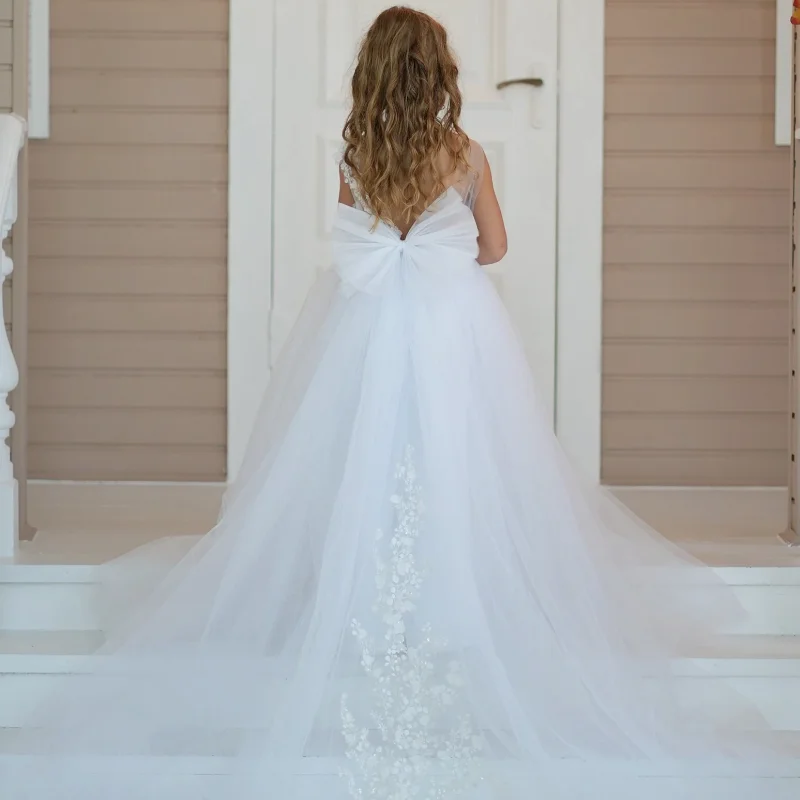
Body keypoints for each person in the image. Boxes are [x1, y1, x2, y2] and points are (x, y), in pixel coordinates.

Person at [3, 7, 797, 799]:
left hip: (368, 328)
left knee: (364, 453)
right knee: (462, 453)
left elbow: (356, 236)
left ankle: (361, 601)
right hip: (456, 327)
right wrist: (451, 239)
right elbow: (495, 247)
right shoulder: (466, 154)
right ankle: (460, 607)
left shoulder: (356, 155)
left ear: (373, 75)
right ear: (439, 74)